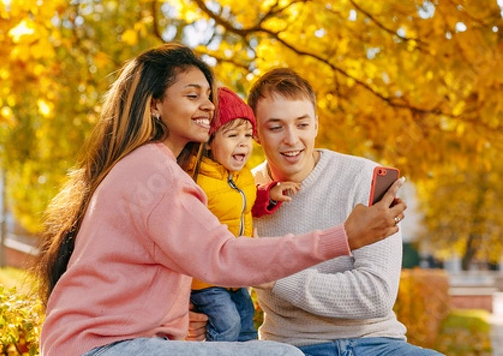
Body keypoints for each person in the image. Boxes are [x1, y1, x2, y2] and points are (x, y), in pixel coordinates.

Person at [33, 44, 406, 356]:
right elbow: (224, 257)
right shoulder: (154, 173)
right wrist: (344, 238)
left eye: (209, 96)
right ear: (154, 105)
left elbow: (150, 267)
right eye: (192, 95)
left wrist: (182, 315)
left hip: (107, 343)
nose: (209, 106)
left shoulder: (152, 168)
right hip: (102, 348)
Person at [245, 68, 443, 355]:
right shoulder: (246, 192)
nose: (291, 139)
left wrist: (275, 278)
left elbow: (375, 295)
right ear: (256, 134)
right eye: (276, 127)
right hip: (293, 348)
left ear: (316, 125)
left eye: (302, 124)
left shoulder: (361, 177)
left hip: (378, 344)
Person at [189, 87, 301, 342]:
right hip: (206, 278)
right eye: (232, 135)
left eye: (248, 135)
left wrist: (270, 195)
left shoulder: (244, 177)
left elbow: (246, 202)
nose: (243, 142)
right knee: (226, 323)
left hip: (237, 273)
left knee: (246, 321)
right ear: (208, 143)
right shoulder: (197, 180)